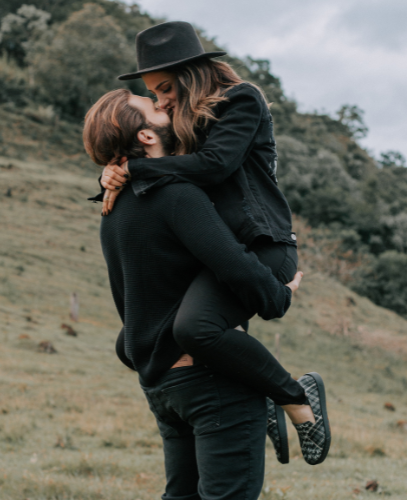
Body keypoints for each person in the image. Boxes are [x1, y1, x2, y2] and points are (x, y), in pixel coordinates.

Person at [96, 21, 330, 467]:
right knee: (139, 339)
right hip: (217, 250)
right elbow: (161, 156)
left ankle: (298, 400)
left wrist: (135, 170)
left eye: (165, 88)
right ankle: (251, 390)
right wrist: (113, 170)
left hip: (263, 245)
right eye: (154, 93)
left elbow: (213, 166)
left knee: (193, 329)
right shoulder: (182, 120)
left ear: (192, 73)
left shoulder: (242, 100)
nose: (161, 100)